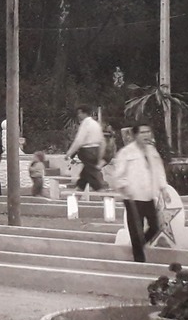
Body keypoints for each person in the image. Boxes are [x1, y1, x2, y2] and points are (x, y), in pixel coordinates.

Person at [106, 123, 170, 263]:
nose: (146, 135)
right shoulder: (126, 152)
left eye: (148, 131)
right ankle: (139, 260)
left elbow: (159, 170)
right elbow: (118, 174)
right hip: (133, 197)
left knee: (155, 227)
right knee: (136, 229)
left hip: (148, 196)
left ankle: (138, 247)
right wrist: (124, 187)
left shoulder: (152, 151)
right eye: (142, 132)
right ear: (135, 135)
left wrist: (163, 188)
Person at [65, 105, 106, 193]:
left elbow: (79, 140)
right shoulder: (96, 124)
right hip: (96, 150)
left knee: (93, 177)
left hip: (87, 151)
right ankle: (77, 193)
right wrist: (100, 155)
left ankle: (106, 198)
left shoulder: (85, 124)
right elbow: (102, 141)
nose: (78, 115)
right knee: (84, 177)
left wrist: (69, 153)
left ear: (84, 113)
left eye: (80, 113)